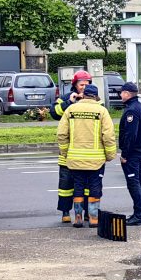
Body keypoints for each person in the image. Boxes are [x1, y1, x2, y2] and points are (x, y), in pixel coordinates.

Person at [56, 85, 116, 228]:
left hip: (75, 159)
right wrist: (110, 155)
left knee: (78, 187)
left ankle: (78, 218)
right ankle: (94, 218)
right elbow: (108, 135)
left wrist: (65, 152)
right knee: (94, 187)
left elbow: (62, 134)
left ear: (83, 95)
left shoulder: (70, 110)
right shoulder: (102, 111)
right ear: (95, 97)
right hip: (96, 160)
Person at [50, 70, 92, 223]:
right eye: (81, 84)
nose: (84, 88)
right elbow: (54, 113)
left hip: (86, 152)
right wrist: (70, 102)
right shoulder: (66, 98)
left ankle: (87, 212)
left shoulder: (94, 100)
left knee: (87, 187)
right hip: (68, 152)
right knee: (66, 186)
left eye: (87, 85)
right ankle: (65, 212)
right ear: (75, 85)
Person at [118, 82, 141, 226]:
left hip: (132, 153)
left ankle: (139, 215)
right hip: (140, 151)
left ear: (127, 93)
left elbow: (131, 134)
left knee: (134, 183)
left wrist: (125, 154)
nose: (120, 95)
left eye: (122, 92)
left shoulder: (131, 110)